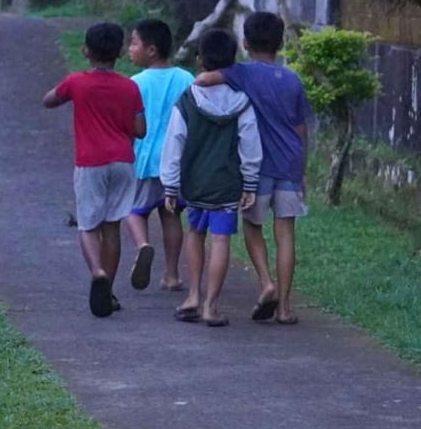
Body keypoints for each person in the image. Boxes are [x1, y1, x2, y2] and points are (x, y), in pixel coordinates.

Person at [195, 12, 311, 325]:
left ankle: (266, 282)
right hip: (289, 164)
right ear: (281, 43)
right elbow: (301, 130)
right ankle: (285, 308)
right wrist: (302, 170)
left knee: (252, 225)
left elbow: (204, 79)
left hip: (257, 166)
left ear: (245, 43)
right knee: (286, 233)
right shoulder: (292, 79)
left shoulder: (243, 73)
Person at [43, 22, 145, 318]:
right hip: (123, 161)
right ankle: (109, 290)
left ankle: (98, 272)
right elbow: (140, 129)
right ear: (120, 53)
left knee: (88, 225)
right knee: (112, 225)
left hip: (91, 162)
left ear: (86, 50)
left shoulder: (77, 82)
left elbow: (48, 100)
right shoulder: (130, 86)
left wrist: (68, 95)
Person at [160, 29, 260, 328]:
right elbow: (250, 143)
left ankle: (192, 295)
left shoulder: (188, 98)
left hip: (195, 182)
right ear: (232, 61)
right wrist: (250, 181)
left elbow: (174, 141)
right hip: (227, 184)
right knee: (221, 240)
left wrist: (170, 183)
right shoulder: (242, 100)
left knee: (195, 233)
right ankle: (211, 305)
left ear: (199, 59)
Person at [124, 18, 194, 291]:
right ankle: (172, 274)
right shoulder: (186, 78)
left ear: (151, 49)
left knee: (132, 210)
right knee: (171, 215)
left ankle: (143, 245)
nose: (130, 48)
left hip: (144, 160)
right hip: (176, 162)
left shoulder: (136, 83)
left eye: (134, 42)